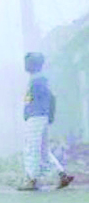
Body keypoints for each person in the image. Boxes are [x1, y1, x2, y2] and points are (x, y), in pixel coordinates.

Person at [18, 52, 74, 190]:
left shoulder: (37, 81)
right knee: (43, 150)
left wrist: (30, 113)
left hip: (36, 117)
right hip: (39, 117)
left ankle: (31, 180)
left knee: (31, 148)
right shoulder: (38, 79)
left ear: (34, 64)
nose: (25, 65)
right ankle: (62, 175)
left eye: (28, 62)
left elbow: (46, 98)